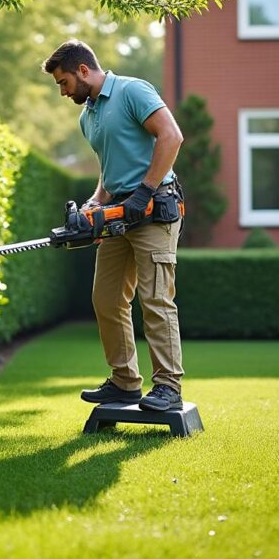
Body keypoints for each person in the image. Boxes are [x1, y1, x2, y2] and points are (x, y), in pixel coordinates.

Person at [42, 39, 185, 411]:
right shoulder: (87, 116)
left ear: (83, 70)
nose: (62, 91)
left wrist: (145, 191)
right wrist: (94, 204)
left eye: (63, 82)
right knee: (106, 298)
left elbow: (171, 136)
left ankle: (168, 387)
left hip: (155, 209)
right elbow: (110, 172)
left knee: (155, 299)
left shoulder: (132, 90)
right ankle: (125, 383)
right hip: (120, 217)